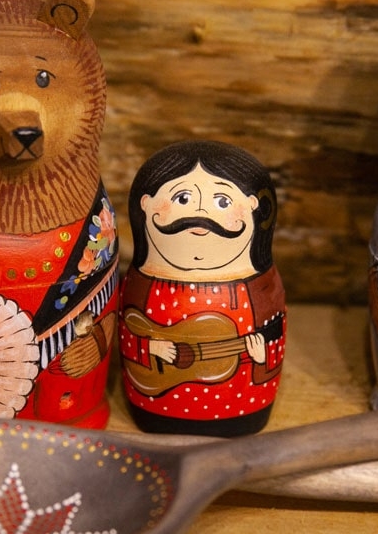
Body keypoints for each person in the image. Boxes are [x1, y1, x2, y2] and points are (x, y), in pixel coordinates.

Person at [119, 140, 285, 436]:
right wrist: (149, 348)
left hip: (242, 406)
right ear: (144, 204)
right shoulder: (142, 285)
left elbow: (272, 346)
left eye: (222, 201)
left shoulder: (261, 288)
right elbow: (128, 332)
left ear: (254, 207)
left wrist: (261, 357)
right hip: (155, 401)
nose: (199, 212)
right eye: (182, 198)